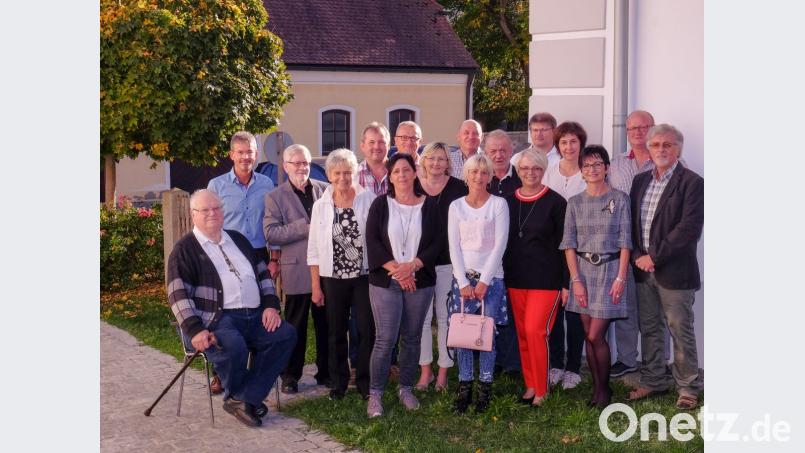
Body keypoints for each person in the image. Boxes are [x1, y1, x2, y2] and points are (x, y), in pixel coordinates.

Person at [167, 189, 296, 427]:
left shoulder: (239, 239)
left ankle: (242, 398)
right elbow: (177, 295)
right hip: (217, 320)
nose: (212, 214)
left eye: (216, 208)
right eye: (205, 210)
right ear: (193, 214)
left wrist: (270, 306)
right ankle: (248, 398)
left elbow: (264, 275)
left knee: (284, 335)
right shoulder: (185, 250)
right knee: (233, 346)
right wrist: (194, 330)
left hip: (256, 314)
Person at [627, 124, 704, 410]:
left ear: (678, 149)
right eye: (656, 144)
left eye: (667, 145)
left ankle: (687, 388)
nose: (661, 149)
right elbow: (633, 223)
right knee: (649, 328)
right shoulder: (640, 181)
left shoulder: (692, 182)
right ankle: (654, 380)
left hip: (674, 271)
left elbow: (688, 230)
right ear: (648, 148)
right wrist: (637, 255)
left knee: (679, 328)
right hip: (642, 268)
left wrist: (654, 257)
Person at [364, 153, 443, 418]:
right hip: (386, 281)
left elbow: (436, 243)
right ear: (390, 176)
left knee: (412, 338)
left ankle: (406, 388)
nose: (401, 175)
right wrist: (399, 270)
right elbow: (373, 243)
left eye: (406, 170)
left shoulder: (430, 206)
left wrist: (414, 266)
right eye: (396, 171)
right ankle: (375, 394)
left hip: (420, 281)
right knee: (385, 339)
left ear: (415, 172)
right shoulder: (380, 205)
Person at [560, 145, 632, 409]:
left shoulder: (620, 199)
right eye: (587, 165)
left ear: (607, 168)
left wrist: (621, 278)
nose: (592, 170)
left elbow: (626, 242)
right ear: (581, 171)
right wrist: (575, 279)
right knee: (590, 334)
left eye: (597, 164)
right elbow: (569, 244)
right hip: (582, 273)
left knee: (594, 335)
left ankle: (604, 389)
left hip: (611, 271)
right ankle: (599, 387)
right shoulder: (575, 203)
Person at [206, 131, 276, 394]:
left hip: (259, 255)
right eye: (241, 152)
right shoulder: (217, 186)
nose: (246, 156)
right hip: (227, 254)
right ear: (231, 154)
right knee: (226, 312)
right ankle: (221, 372)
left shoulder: (267, 184)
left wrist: (275, 258)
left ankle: (256, 370)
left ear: (256, 154)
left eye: (250, 152)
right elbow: (209, 223)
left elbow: (272, 221)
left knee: (257, 311)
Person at [307, 148, 377, 401]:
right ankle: (338, 383)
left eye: (348, 172)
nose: (343, 178)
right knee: (336, 331)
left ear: (355, 173)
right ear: (329, 175)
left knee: (366, 330)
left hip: (363, 276)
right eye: (337, 173)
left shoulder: (368, 199)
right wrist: (316, 286)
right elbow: (313, 249)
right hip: (332, 278)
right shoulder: (321, 206)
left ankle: (365, 383)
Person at [607, 110, 672, 378]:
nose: (637, 132)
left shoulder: (668, 163)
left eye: (643, 127)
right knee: (626, 306)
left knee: (658, 309)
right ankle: (626, 358)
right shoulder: (616, 163)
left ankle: (659, 361)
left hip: (656, 248)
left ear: (653, 128)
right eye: (632, 128)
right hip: (624, 247)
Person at [264, 144, 330, 394]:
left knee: (327, 324)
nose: (302, 168)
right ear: (285, 166)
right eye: (296, 163)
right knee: (295, 326)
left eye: (306, 163)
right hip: (296, 271)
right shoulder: (275, 196)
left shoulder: (325, 190)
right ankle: (290, 375)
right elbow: (271, 233)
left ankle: (326, 372)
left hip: (326, 270)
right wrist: (305, 226)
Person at [503, 149, 567, 407]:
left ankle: (542, 389)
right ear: (518, 170)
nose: (530, 173)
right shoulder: (507, 201)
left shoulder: (556, 202)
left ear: (543, 170)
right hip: (515, 278)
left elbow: (566, 245)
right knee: (522, 334)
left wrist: (566, 283)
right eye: (525, 168)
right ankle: (530, 385)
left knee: (535, 331)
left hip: (546, 280)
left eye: (536, 168)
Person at [447, 153, 510, 413]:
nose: (478, 177)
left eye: (484, 172)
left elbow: (500, 244)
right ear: (466, 175)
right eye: (474, 172)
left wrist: (484, 280)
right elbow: (454, 246)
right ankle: (464, 388)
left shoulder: (498, 205)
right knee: (463, 336)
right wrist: (463, 281)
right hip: (462, 279)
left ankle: (484, 388)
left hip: (491, 279)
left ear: (490, 176)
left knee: (486, 336)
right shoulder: (456, 206)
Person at [414, 142, 467, 391]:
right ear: (423, 161)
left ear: (448, 163)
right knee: (422, 319)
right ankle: (425, 370)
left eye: (441, 159)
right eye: (431, 158)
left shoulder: (459, 188)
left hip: (448, 262)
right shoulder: (413, 187)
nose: (436, 163)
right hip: (420, 264)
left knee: (446, 318)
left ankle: (444, 370)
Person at [542, 121, 588, 390]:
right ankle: (556, 363)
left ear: (580, 143)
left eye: (573, 141)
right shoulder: (549, 172)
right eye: (564, 142)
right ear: (557, 146)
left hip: (583, 251)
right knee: (556, 309)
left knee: (576, 310)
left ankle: (574, 367)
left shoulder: (590, 171)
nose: (569, 147)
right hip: (554, 249)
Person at [484, 129, 523, 376]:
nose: (498, 155)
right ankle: (490, 358)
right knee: (488, 309)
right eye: (493, 151)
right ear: (485, 152)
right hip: (483, 259)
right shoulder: (479, 179)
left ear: (512, 152)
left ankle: (511, 363)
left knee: (510, 311)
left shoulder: (521, 180)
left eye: (503, 150)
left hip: (514, 257)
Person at [354, 122, 391, 196]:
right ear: (362, 146)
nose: (376, 147)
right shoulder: (353, 176)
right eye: (371, 142)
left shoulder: (400, 174)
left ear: (389, 145)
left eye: (381, 142)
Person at [485, 129, 521, 197]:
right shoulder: (481, 178)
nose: (498, 156)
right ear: (486, 153)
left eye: (502, 151)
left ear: (511, 151)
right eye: (493, 151)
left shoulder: (522, 176)